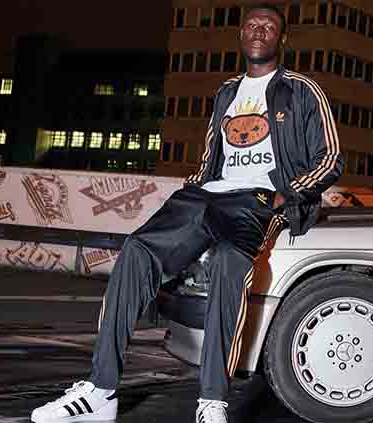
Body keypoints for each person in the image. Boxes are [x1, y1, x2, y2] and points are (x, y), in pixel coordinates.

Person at [30, 4, 341, 422]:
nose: (258, 31)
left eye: (268, 27)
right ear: (240, 34)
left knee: (230, 263)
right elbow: (211, 157)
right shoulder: (226, 92)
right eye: (251, 25)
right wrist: (191, 190)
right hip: (208, 195)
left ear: (281, 39)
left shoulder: (301, 90)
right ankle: (101, 390)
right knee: (137, 250)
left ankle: (212, 400)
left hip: (257, 200)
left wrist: (286, 196)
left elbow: (330, 157)